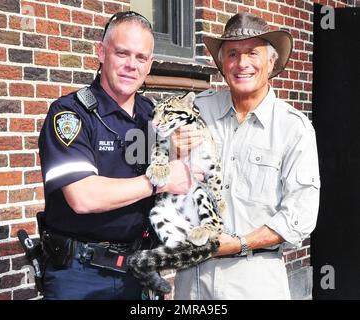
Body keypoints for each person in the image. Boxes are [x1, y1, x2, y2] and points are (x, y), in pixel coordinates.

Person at [38, 11, 201, 300]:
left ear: (150, 64)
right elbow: (83, 197)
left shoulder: (151, 116)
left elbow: (180, 185)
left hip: (137, 271)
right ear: (101, 53)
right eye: (122, 53)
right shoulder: (71, 114)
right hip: (80, 275)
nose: (131, 65)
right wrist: (159, 181)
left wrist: (183, 150)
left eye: (141, 57)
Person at [173, 12, 320, 299]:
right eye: (232, 54)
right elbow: (163, 181)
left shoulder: (294, 129)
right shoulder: (197, 111)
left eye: (253, 53)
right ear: (222, 63)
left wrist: (238, 243)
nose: (242, 64)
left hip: (255, 282)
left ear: (270, 61)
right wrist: (172, 150)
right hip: (191, 284)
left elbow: (299, 216)